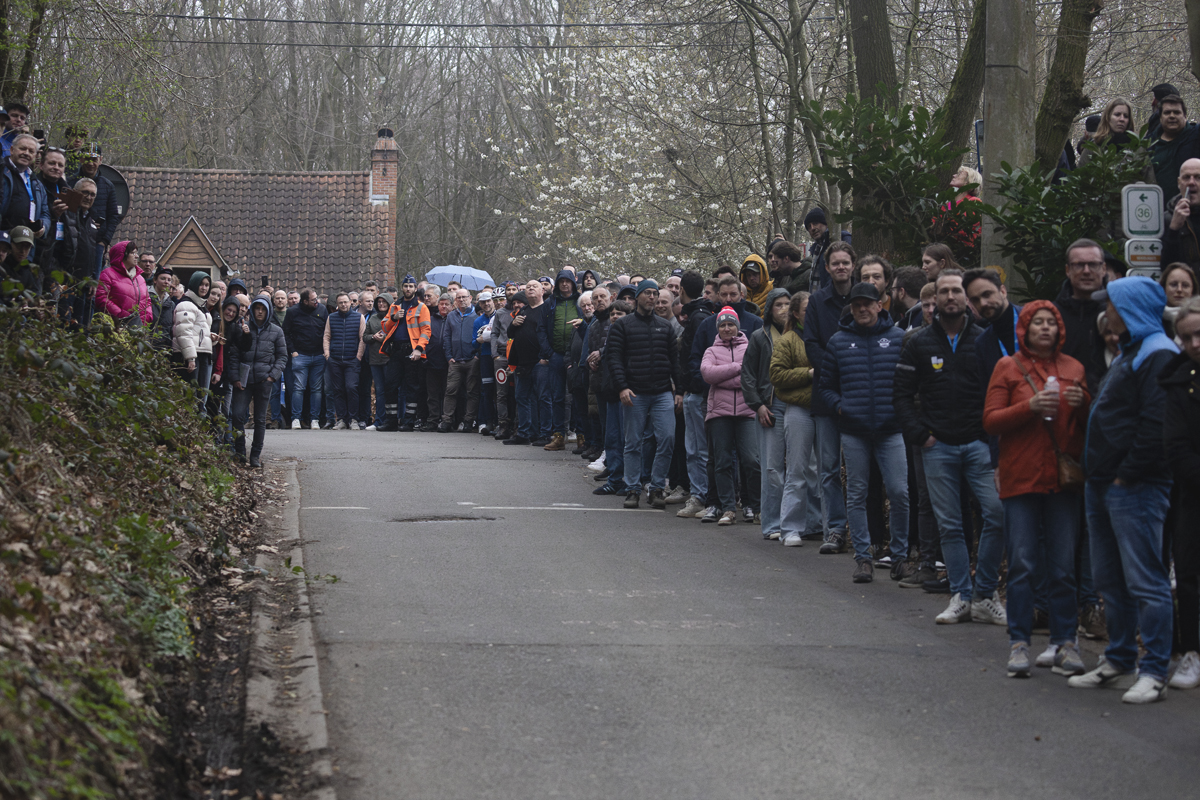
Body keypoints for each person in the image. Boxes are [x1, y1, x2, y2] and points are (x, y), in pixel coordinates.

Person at [1069, 277, 1178, 704]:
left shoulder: (1158, 353)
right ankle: (1119, 660)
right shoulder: (1132, 350)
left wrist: (1126, 475)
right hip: (1103, 483)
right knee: (1110, 580)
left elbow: (1157, 424)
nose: (1106, 313)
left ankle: (1154, 670)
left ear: (1130, 309)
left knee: (1146, 581)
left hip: (1135, 487)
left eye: (1111, 305)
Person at [983, 302, 1090, 679]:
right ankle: (1019, 643)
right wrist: (1028, 406)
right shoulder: (1007, 367)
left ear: (1060, 329)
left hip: (1062, 482)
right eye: (1037, 323)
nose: (1045, 328)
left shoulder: (1074, 369)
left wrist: (1083, 405)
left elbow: (1086, 428)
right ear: (1024, 329)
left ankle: (1065, 642)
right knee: (1022, 564)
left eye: (1051, 323)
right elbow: (991, 421)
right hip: (1021, 480)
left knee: (1062, 567)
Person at [894, 270, 1007, 626]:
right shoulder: (918, 343)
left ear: (967, 298)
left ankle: (985, 593)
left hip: (979, 443)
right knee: (950, 525)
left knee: (997, 514)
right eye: (943, 291)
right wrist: (919, 434)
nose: (950, 297)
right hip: (937, 445)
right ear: (935, 300)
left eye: (956, 291)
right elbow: (901, 394)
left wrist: (991, 435)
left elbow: (999, 389)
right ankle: (961, 594)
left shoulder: (985, 340)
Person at [818, 283, 909, 583]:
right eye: (857, 304)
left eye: (867, 304)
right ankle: (863, 558)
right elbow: (825, 386)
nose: (862, 309)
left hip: (891, 429)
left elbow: (910, 381)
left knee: (899, 492)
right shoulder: (839, 341)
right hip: (854, 430)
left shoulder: (897, 338)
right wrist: (841, 406)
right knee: (857, 494)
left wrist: (902, 410)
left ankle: (899, 557)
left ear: (880, 305)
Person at [605, 279, 684, 509]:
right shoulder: (623, 325)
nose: (652, 297)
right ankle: (632, 488)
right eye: (647, 293)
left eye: (655, 293)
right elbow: (614, 359)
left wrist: (679, 390)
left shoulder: (665, 326)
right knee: (633, 443)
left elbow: (675, 361)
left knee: (667, 439)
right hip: (635, 393)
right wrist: (622, 387)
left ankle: (657, 487)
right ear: (638, 296)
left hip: (662, 392)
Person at [804, 241, 856, 553]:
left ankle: (863, 531)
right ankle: (835, 529)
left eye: (845, 262)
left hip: (861, 393)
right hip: (826, 393)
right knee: (829, 468)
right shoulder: (817, 302)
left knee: (861, 469)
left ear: (853, 265)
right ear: (827, 267)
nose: (840, 267)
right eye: (835, 263)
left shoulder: (865, 298)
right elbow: (811, 343)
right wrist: (837, 370)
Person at [1160, 297, 1200, 690]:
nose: (1195, 343)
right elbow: (1176, 445)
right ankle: (1192, 651)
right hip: (1191, 492)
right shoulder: (1177, 380)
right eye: (1187, 338)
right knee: (1187, 575)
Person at [742, 288, 793, 541]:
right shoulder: (759, 337)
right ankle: (772, 523)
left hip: (800, 405)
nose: (783, 309)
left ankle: (810, 522)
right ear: (770, 309)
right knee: (772, 468)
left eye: (788, 304)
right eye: (778, 305)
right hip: (771, 406)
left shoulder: (803, 334)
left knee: (805, 467)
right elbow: (748, 375)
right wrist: (758, 405)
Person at [701, 307, 760, 525]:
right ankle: (727, 508)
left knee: (751, 460)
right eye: (723, 325)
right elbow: (708, 374)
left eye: (731, 324)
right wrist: (738, 368)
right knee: (722, 461)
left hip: (747, 411)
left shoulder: (750, 347)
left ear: (737, 326)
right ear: (718, 328)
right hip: (719, 413)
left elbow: (754, 376)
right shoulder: (711, 350)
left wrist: (723, 375)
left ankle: (754, 506)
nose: (727, 328)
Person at [227, 296, 288, 467]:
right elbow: (234, 355)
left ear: (268, 311)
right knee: (237, 415)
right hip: (244, 380)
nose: (260, 312)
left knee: (260, 420)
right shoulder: (243, 328)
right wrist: (235, 377)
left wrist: (272, 376)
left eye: (263, 309)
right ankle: (240, 452)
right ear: (252, 310)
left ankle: (255, 455)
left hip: (264, 380)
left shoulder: (276, 331)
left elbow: (282, 356)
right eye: (257, 308)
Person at [379, 275, 431, 431]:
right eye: (406, 286)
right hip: (396, 350)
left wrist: (419, 349)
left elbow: (426, 330)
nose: (408, 289)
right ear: (402, 288)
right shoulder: (395, 306)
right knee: (390, 385)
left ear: (415, 289)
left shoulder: (421, 307)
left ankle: (408, 421)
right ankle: (391, 421)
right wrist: (394, 318)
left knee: (411, 387)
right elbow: (384, 327)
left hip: (412, 350)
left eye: (411, 286)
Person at [537, 270, 581, 449]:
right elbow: (541, 328)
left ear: (573, 283)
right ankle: (558, 436)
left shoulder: (580, 301)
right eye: (561, 281)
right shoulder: (550, 302)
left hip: (576, 356)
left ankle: (582, 435)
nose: (564, 284)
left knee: (578, 396)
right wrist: (548, 352)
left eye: (567, 281)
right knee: (557, 397)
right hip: (556, 355)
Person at [282, 288, 329, 430]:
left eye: (316, 298)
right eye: (313, 300)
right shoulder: (292, 312)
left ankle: (314, 419)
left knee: (316, 389)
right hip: (300, 355)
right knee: (298, 388)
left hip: (319, 355)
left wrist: (325, 351)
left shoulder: (322, 309)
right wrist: (293, 351)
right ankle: (296, 418)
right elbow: (285, 333)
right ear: (305, 301)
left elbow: (327, 331)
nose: (316, 301)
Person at [323, 292, 365, 430]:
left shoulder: (359, 317)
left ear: (350, 302)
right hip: (335, 359)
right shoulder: (331, 318)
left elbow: (362, 338)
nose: (343, 304)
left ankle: (353, 419)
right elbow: (327, 336)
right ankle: (341, 419)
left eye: (345, 302)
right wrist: (327, 355)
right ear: (337, 304)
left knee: (351, 388)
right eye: (340, 302)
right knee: (338, 389)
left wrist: (358, 356)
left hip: (352, 360)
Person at [440, 287, 480, 432]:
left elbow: (481, 335)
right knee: (450, 391)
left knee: (472, 392)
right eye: (459, 297)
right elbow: (446, 337)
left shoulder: (477, 315)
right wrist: (449, 356)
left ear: (470, 298)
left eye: (464, 297)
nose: (461, 300)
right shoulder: (451, 316)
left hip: (472, 359)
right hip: (455, 361)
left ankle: (469, 421)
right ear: (455, 300)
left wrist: (477, 355)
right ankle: (447, 420)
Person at [171, 271, 215, 389]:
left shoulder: (201, 305)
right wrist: (190, 358)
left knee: (200, 394)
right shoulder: (186, 304)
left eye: (207, 285)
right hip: (191, 356)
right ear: (195, 284)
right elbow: (183, 333)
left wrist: (211, 337)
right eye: (201, 284)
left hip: (201, 354)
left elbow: (198, 331)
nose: (204, 288)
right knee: (191, 394)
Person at [1151, 95, 1198, 205]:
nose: (1172, 116)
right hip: (1157, 208)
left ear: (1185, 116)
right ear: (1160, 117)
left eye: (1177, 112)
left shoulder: (1196, 135)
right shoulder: (1149, 144)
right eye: (1167, 113)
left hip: (1193, 209)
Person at [1, 134, 49, 239]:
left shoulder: (36, 183)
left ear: (35, 156)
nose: (26, 153)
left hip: (26, 242)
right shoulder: (2, 173)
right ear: (12, 150)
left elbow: (45, 213)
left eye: (31, 151)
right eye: (22, 149)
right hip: (4, 239)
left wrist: (43, 227)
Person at [95, 240, 152, 328]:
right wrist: (120, 315)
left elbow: (147, 301)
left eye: (136, 253)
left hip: (138, 329)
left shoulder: (140, 278)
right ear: (122, 255)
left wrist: (145, 320)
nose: (137, 256)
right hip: (114, 326)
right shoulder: (107, 274)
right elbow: (101, 298)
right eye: (133, 253)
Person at [1161, 158, 1200, 272]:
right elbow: (1166, 268)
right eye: (1186, 177)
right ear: (1179, 183)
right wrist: (1174, 229)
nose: (1191, 182)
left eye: (1198, 177)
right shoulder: (1166, 220)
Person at [421, 293, 452, 431]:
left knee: (448, 393)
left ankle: (447, 420)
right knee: (432, 394)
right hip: (432, 361)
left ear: (452, 306)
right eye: (441, 304)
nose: (444, 306)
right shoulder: (431, 319)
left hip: (448, 362)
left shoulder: (454, 319)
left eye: (446, 304)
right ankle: (432, 420)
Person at [801, 207, 851, 292]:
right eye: (809, 226)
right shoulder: (816, 249)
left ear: (826, 223)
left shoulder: (843, 239)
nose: (812, 228)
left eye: (815, 223)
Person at [362, 292, 392, 430]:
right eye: (379, 302)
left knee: (391, 390)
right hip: (374, 359)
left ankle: (393, 419)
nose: (381, 304)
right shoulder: (373, 318)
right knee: (379, 391)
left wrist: (384, 338)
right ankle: (379, 421)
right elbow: (365, 337)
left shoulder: (393, 317)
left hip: (389, 359)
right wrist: (373, 337)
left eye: (384, 302)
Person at [1161, 262, 1198, 336]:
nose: (1179, 289)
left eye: (1185, 285)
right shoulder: (1153, 319)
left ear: (1192, 290)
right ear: (1164, 288)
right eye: (1174, 284)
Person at [891, 265, 926, 331]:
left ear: (901, 292)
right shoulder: (907, 321)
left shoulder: (923, 320)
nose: (892, 294)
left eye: (893, 290)